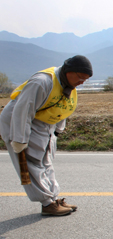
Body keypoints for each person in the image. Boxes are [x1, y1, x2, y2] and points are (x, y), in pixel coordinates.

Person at [0, 55, 93, 216]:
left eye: (85, 79)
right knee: (32, 162)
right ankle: (47, 203)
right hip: (19, 122)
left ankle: (53, 198)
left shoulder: (67, 85)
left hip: (42, 123)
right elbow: (22, 110)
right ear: (69, 71)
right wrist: (19, 138)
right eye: (80, 77)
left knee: (46, 161)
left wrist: (58, 130)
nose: (82, 82)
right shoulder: (42, 82)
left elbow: (63, 108)